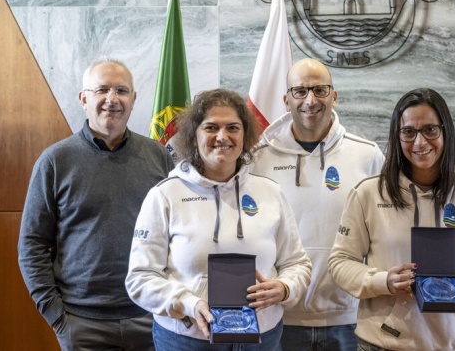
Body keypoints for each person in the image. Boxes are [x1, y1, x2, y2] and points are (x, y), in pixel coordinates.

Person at [125, 88, 312, 351]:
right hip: (188, 339)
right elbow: (140, 278)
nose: (222, 137)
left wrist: (284, 287)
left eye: (233, 128)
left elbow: (297, 263)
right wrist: (189, 304)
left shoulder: (271, 193)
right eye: (211, 127)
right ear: (193, 135)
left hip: (261, 339)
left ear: (245, 135)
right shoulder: (165, 195)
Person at [328, 88, 455, 351]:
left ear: (445, 131)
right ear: (397, 135)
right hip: (384, 342)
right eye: (409, 132)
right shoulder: (367, 194)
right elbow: (340, 262)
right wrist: (383, 281)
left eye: (430, 130)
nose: (420, 143)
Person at [18, 58, 174, 350]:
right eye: (102, 90)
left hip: (152, 317)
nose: (112, 100)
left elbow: (179, 231)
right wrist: (56, 316)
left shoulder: (159, 157)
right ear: (84, 98)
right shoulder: (55, 161)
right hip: (82, 323)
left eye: (121, 91)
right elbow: (31, 245)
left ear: (134, 99)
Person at [250, 58, 384, 351]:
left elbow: (384, 233)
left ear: (334, 96)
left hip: (349, 318)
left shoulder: (367, 155)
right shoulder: (258, 159)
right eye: (300, 91)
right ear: (286, 100)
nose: (310, 100)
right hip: (278, 317)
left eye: (319, 90)